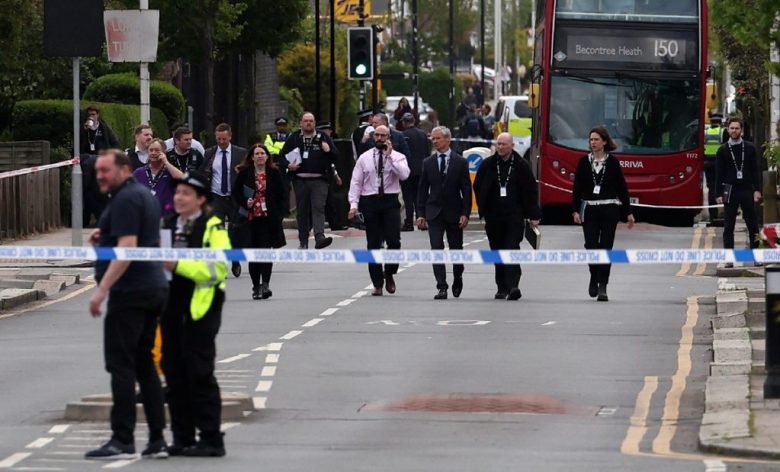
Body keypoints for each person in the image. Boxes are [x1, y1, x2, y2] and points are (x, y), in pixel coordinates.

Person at [85, 149, 169, 460]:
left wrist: (101, 291)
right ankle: (157, 439)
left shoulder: (124, 199)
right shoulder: (142, 196)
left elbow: (128, 248)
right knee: (145, 364)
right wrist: (103, 236)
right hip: (152, 288)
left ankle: (122, 438)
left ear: (123, 168)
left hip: (130, 293)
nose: (100, 177)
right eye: (97, 172)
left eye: (105, 171)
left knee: (120, 365)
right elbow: (141, 238)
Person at [160, 170, 231, 457]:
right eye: (177, 192)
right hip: (170, 307)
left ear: (201, 200)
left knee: (200, 372)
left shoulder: (213, 228)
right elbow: (156, 263)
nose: (179, 197)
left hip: (201, 307)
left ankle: (212, 438)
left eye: (186, 193)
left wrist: (179, 265)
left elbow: (216, 271)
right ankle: (182, 437)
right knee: (174, 372)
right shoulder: (166, 225)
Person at [473, 133, 541, 301]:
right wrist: (483, 208)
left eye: (504, 144)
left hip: (514, 216)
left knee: (512, 248)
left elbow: (531, 191)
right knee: (497, 251)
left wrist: (533, 214)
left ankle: (513, 285)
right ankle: (501, 286)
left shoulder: (521, 165)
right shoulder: (488, 165)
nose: (501, 147)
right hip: (494, 216)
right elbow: (478, 185)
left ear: (512, 146)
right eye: (498, 144)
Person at [571, 126, 635, 302]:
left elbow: (622, 188)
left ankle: (603, 286)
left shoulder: (613, 163)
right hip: (589, 209)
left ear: (604, 141)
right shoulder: (584, 162)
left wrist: (628, 212)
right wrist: (575, 210)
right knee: (591, 246)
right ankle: (594, 274)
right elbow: (577, 188)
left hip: (609, 209)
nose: (593, 143)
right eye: (591, 140)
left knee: (606, 248)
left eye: (596, 139)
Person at [348, 125, 410, 296]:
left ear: (389, 137)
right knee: (373, 244)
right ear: (373, 137)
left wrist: (391, 157)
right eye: (377, 135)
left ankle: (389, 273)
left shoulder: (398, 157)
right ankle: (377, 282)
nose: (380, 138)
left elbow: (405, 175)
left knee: (394, 241)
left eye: (384, 135)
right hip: (370, 202)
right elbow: (356, 183)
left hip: (390, 201)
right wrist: (353, 205)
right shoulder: (364, 158)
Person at [416, 126, 472, 299]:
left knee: (456, 249)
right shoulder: (428, 162)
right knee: (436, 248)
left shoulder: (461, 162)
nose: (434, 141)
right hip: (434, 212)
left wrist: (465, 213)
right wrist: (420, 213)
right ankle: (442, 286)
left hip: (454, 212)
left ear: (447, 140)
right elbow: (422, 190)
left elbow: (466, 190)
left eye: (438, 138)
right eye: (433, 139)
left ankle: (458, 276)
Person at [233, 144, 286, 300]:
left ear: (267, 156)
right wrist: (245, 202)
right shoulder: (245, 174)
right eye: (257, 153)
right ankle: (256, 286)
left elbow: (282, 193)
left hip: (269, 219)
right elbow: (236, 193)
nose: (260, 156)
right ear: (252, 157)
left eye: (263, 153)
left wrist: (280, 214)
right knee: (254, 254)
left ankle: (266, 285)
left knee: (266, 252)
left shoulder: (274, 173)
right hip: (251, 219)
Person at [280, 112, 338, 249]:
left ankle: (319, 237)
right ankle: (303, 240)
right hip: (300, 180)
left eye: (311, 121)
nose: (308, 123)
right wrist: (289, 165)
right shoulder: (294, 138)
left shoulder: (322, 137)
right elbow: (282, 157)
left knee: (318, 208)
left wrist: (328, 150)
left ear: (315, 123)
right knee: (302, 211)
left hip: (319, 180)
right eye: (305, 121)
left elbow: (336, 156)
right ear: (300, 122)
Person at [202, 123, 247, 278]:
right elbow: (203, 174)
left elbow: (247, 175)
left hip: (234, 197)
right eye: (218, 139)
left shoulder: (240, 153)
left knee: (234, 232)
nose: (221, 142)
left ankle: (234, 259)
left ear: (230, 136)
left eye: (224, 138)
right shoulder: (210, 153)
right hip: (216, 197)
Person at [715, 116, 761, 267]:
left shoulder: (750, 148)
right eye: (732, 128)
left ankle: (756, 256)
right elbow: (719, 174)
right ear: (727, 130)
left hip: (746, 189)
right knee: (729, 226)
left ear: (742, 130)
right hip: (730, 190)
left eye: (737, 128)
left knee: (753, 224)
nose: (734, 131)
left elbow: (755, 171)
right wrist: (718, 193)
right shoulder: (722, 150)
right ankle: (729, 258)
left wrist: (757, 190)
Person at [133, 138, 183, 218]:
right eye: (151, 150)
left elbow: (183, 179)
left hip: (166, 217)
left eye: (157, 150)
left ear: (164, 152)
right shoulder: (139, 173)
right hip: (144, 217)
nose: (153, 153)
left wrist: (166, 162)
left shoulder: (170, 171)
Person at [401, 113, 431, 231]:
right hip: (421, 170)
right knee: (420, 196)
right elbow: (427, 152)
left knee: (408, 197)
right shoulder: (422, 134)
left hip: (407, 170)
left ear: (404, 122)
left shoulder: (403, 135)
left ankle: (409, 222)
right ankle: (421, 221)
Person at [703, 114, 724, 222]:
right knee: (721, 186)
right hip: (719, 163)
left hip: (707, 163)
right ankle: (722, 213)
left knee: (711, 188)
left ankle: (713, 215)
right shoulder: (722, 132)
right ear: (720, 122)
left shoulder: (706, 132)